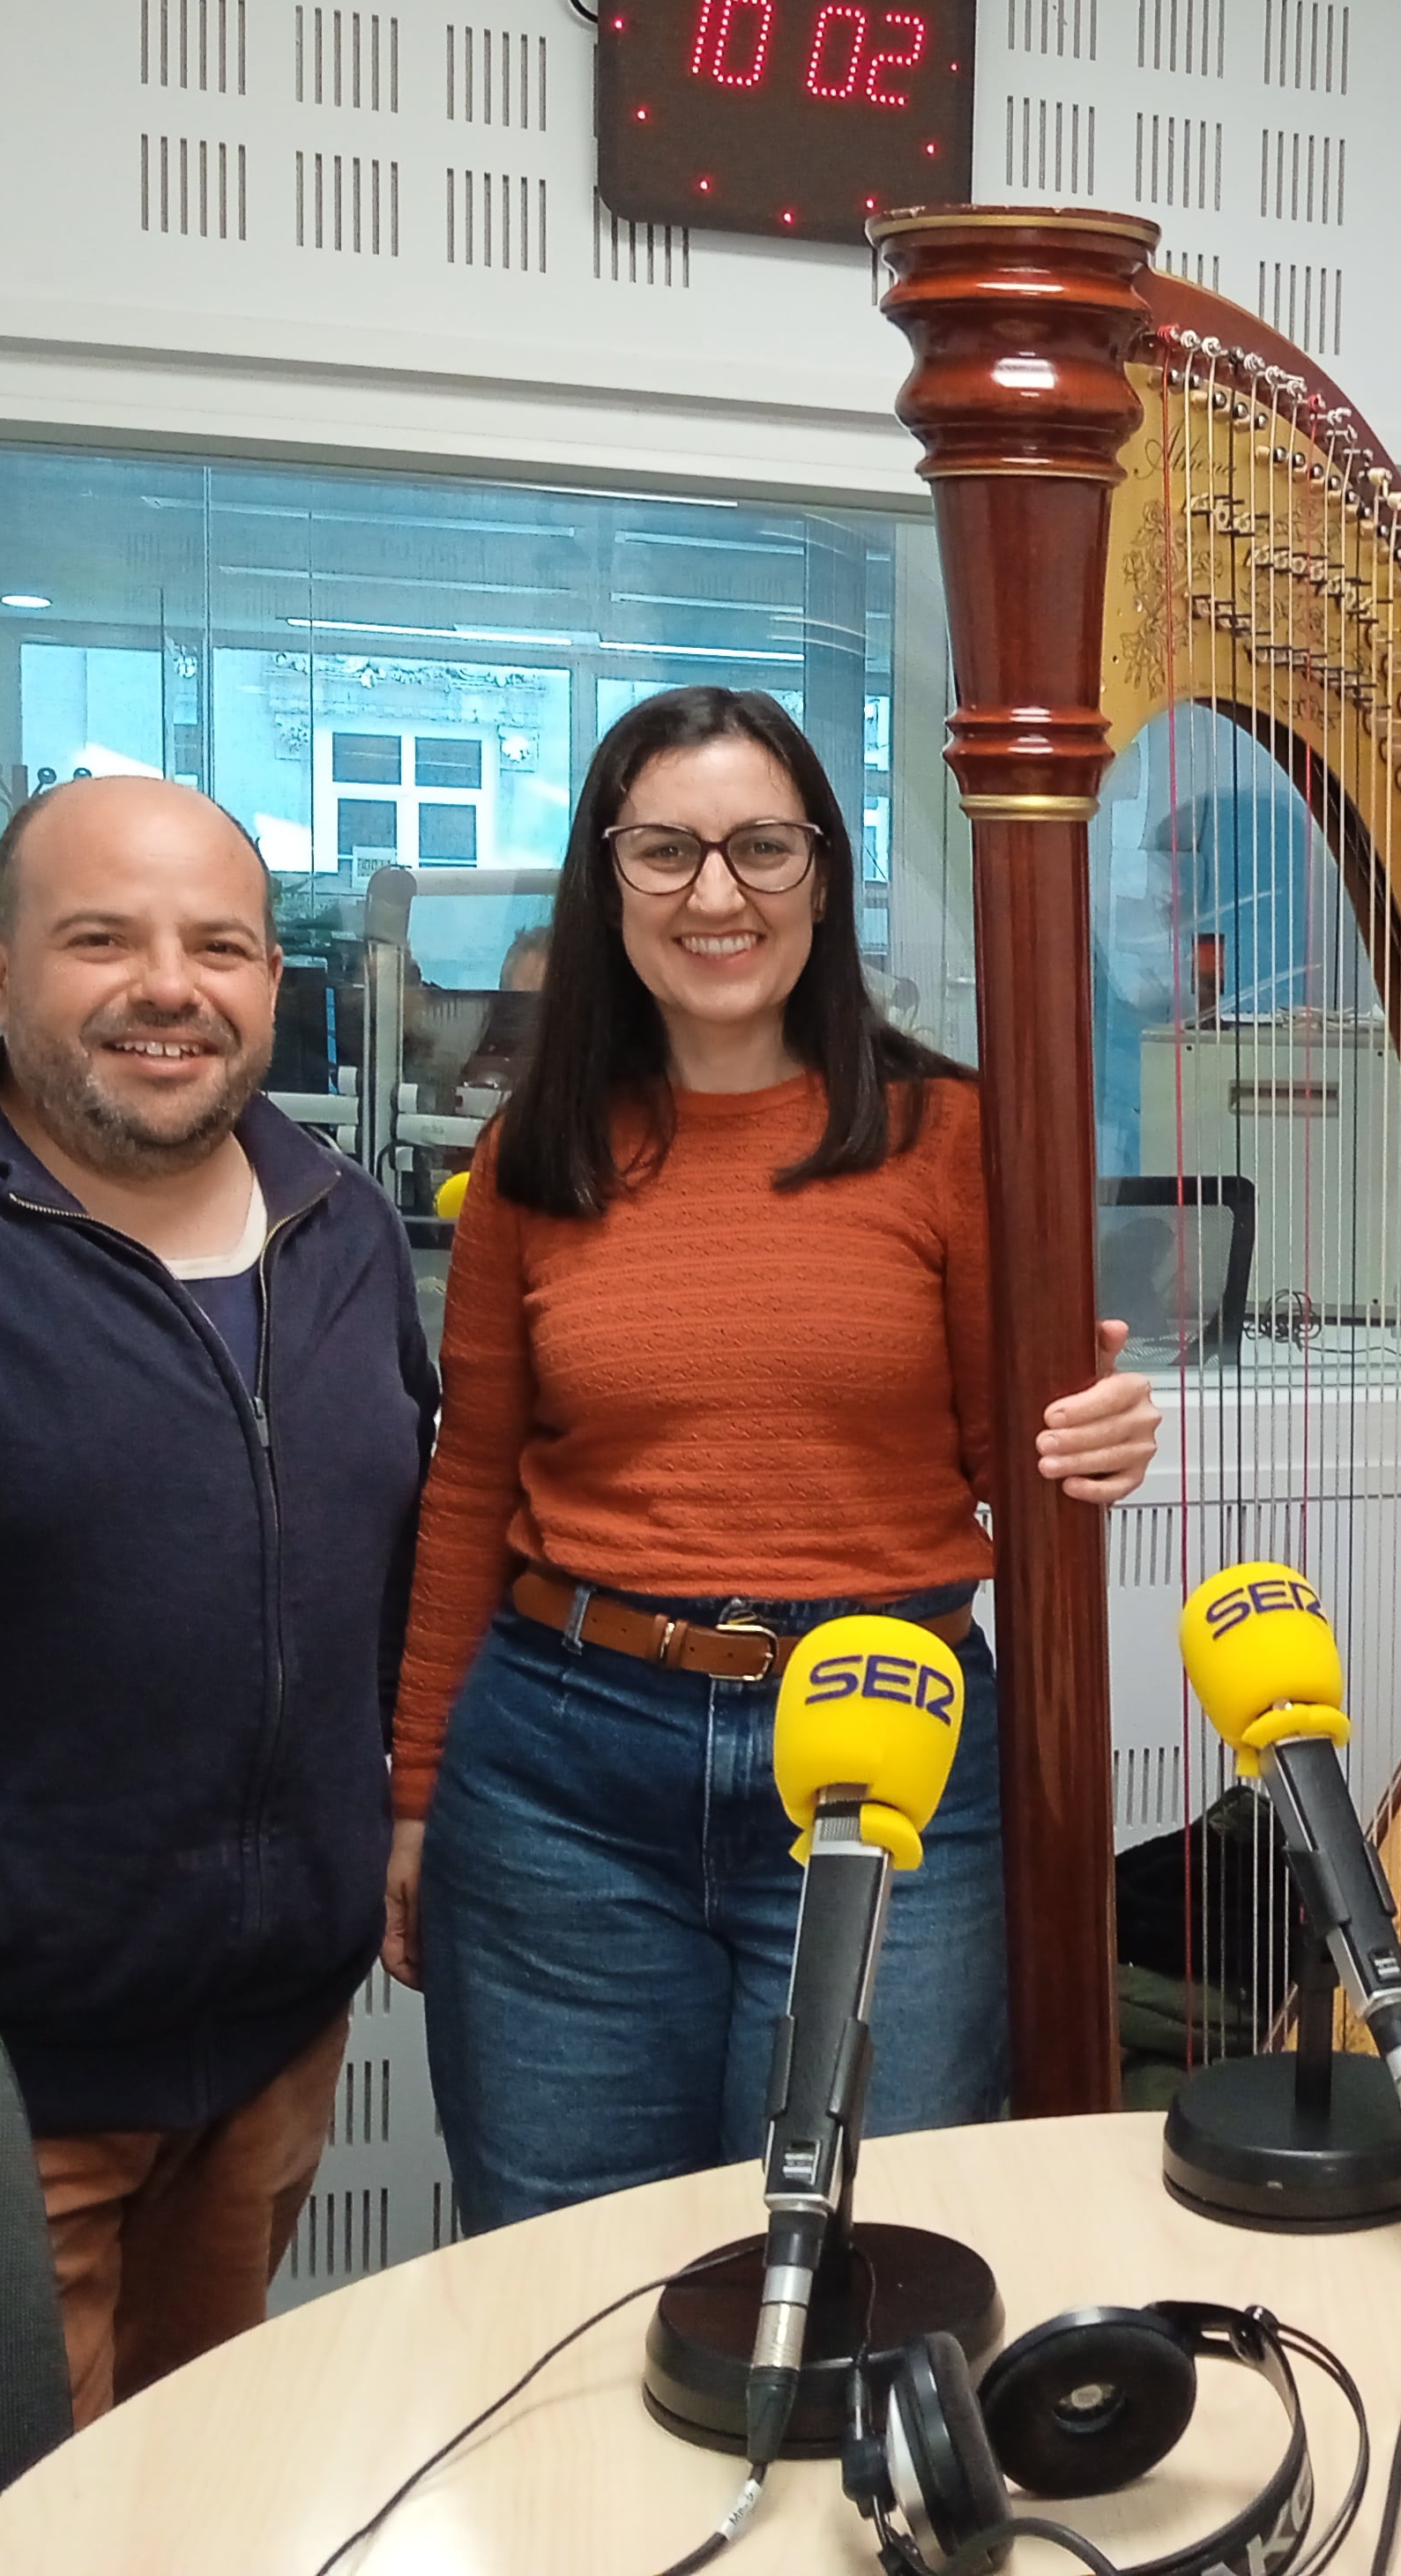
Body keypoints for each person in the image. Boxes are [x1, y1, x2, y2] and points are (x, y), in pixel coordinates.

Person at [387, 688, 1161, 2232]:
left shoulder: (955, 1139)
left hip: (888, 1756)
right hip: (560, 1771)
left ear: (825, 873)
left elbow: (1009, 1452)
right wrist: (415, 1793)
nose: (718, 894)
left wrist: (1091, 1435)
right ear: (606, 885)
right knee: (565, 2273)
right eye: (665, 851)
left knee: (857, 2263)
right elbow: (472, 1480)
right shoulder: (529, 1163)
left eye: (762, 847)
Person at [0, 775, 436, 2423]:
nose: (166, 987)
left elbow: (395, 1547)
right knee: (4, 2516)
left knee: (191, 2482)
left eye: (218, 946)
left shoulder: (338, 1231)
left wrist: (410, 1799)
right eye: (99, 939)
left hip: (266, 2044)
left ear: (270, 982)